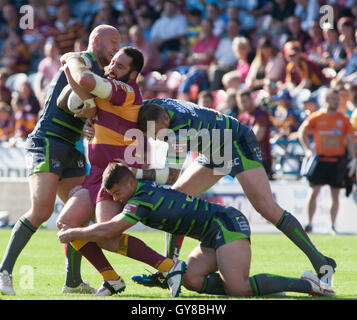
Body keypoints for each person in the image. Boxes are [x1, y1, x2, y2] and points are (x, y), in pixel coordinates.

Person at [131, 97, 337, 289]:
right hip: (215, 149)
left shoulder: (179, 128)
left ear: (166, 119)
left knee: (266, 208)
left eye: (161, 133)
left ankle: (322, 263)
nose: (161, 139)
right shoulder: (155, 106)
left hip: (237, 142)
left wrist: (135, 173)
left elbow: (171, 176)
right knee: (174, 200)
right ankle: (170, 270)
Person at [58, 162, 336, 298]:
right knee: (190, 280)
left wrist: (74, 233)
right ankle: (264, 289)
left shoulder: (139, 198)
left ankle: (310, 284)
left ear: (129, 184)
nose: (116, 199)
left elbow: (112, 230)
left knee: (237, 288)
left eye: (117, 193)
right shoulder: (140, 188)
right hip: (211, 233)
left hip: (225, 223)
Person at [0, 25, 121, 296]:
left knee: (77, 215)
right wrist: (88, 108)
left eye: (119, 43)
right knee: (42, 210)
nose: (116, 47)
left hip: (72, 147)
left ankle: (73, 281)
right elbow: (69, 96)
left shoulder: (100, 74)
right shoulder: (81, 61)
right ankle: (3, 272)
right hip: (48, 141)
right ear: (97, 41)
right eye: (113, 41)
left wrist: (89, 120)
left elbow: (82, 108)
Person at [56, 46, 148, 296]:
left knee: (106, 235)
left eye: (120, 66)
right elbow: (73, 100)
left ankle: (169, 266)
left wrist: (73, 60)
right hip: (97, 173)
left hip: (118, 175)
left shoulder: (126, 91)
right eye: (112, 63)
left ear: (133, 74)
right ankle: (112, 279)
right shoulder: (108, 93)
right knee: (67, 223)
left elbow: (85, 79)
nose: (111, 68)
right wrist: (68, 72)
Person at [298, 87, 356, 234]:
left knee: (335, 194)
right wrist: (308, 149)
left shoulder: (343, 119)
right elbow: (302, 132)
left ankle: (332, 225)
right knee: (314, 191)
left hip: (337, 160)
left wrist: (353, 158)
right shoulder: (316, 117)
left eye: (337, 99)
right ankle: (309, 222)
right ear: (326, 100)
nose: (335, 102)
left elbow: (349, 139)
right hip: (321, 160)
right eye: (333, 99)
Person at [237, 89, 273, 178]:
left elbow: (257, 137)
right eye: (241, 102)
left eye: (245, 101)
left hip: (261, 159)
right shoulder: (241, 117)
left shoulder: (261, 115)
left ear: (251, 99)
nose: (243, 104)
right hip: (246, 159)